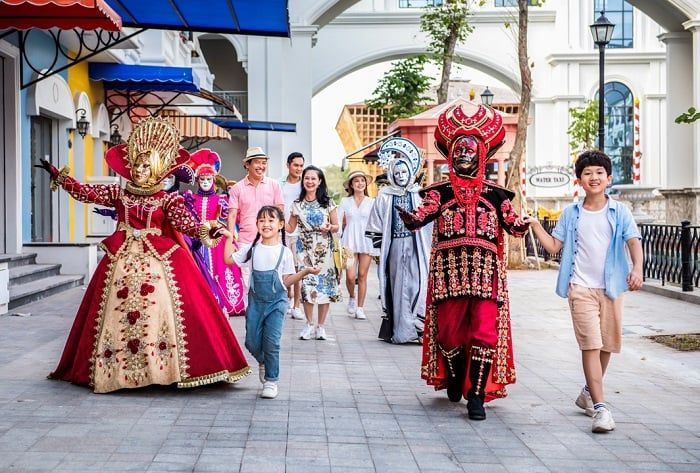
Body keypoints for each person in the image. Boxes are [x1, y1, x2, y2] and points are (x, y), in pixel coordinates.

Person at [39, 117, 250, 393]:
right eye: (136, 165)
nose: (139, 170)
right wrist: (61, 178)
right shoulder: (119, 192)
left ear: (158, 168)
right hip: (121, 258)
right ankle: (115, 370)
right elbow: (86, 193)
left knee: (168, 307)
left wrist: (208, 229)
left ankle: (161, 369)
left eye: (146, 165)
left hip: (159, 260)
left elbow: (186, 224)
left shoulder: (167, 199)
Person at [398, 103, 529, 420]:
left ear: (481, 155)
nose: (463, 156)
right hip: (448, 274)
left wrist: (524, 225)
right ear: (449, 155)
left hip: (486, 275)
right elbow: (424, 214)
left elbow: (511, 224)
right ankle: (455, 377)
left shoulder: (497, 195)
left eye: (470, 151)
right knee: (449, 334)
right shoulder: (439, 192)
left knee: (484, 333)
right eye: (458, 151)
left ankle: (477, 397)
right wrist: (412, 219)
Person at [523, 150, 643, 433]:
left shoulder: (620, 211)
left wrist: (637, 268)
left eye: (599, 173)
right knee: (590, 343)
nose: (594, 177)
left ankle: (589, 391)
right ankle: (601, 409)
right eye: (588, 173)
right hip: (580, 288)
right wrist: (536, 225)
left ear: (609, 178)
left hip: (612, 288)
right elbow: (554, 247)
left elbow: (634, 241)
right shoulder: (571, 213)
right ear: (579, 180)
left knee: (607, 345)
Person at [222, 206, 319, 399]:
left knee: (272, 342)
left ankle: (271, 380)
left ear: (281, 225)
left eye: (271, 220)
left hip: (277, 303)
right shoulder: (252, 249)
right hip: (255, 303)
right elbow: (227, 260)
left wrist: (305, 272)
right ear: (257, 225)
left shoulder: (285, 252)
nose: (266, 224)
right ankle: (264, 362)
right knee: (251, 342)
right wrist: (228, 237)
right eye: (262, 221)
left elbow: (286, 281)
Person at [365, 138, 431, 343]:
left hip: (416, 246)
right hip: (394, 246)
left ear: (411, 172)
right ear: (392, 175)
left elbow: (429, 220)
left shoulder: (419, 194)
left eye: (404, 172)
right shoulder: (385, 195)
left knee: (417, 283)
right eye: (397, 173)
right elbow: (375, 222)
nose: (401, 177)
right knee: (397, 285)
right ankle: (400, 330)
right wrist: (378, 250)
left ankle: (418, 328)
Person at [184, 149, 245, 316]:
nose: (205, 182)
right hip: (195, 240)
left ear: (214, 180)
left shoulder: (222, 200)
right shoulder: (189, 198)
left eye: (208, 179)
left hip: (216, 241)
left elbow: (234, 217)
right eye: (202, 179)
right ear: (197, 180)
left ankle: (222, 303)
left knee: (220, 270)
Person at [287, 165, 341, 340]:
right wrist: (276, 220)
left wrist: (329, 228)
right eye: (307, 178)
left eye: (313, 178)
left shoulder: (328, 202)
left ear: (319, 182)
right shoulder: (296, 205)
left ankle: (321, 326)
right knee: (307, 287)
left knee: (325, 286)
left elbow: (336, 226)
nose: (309, 181)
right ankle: (309, 324)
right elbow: (290, 228)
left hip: (324, 249)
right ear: (303, 181)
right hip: (304, 250)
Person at [338, 170, 379, 320]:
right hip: (349, 241)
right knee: (350, 276)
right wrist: (337, 240)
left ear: (365, 183)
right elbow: (338, 221)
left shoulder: (372, 202)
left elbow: (376, 222)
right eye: (356, 181)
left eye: (362, 180)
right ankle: (351, 297)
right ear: (351, 185)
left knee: (362, 275)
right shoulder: (344, 201)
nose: (360, 183)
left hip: (366, 240)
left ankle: (360, 308)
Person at [281, 152, 305, 320]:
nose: (299, 168)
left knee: (298, 269)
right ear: (288, 165)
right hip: (282, 230)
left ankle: (297, 305)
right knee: (283, 268)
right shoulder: (279, 184)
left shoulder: (305, 184)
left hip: (300, 232)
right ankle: (286, 299)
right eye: (296, 165)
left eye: (301, 165)